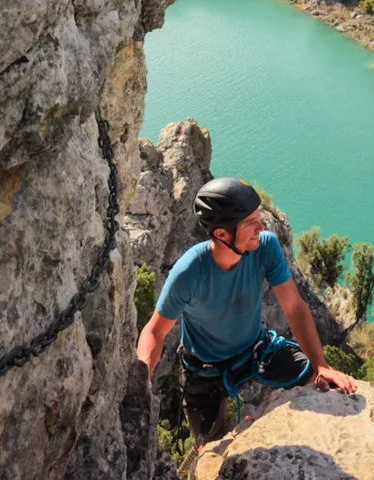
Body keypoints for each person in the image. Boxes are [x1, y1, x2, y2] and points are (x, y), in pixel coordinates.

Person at [136, 176, 357, 444]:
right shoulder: (189, 272)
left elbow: (294, 308)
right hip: (205, 369)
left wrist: (322, 365)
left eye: (258, 217)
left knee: (322, 384)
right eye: (250, 223)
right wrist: (143, 377)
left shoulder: (265, 246)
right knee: (210, 448)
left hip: (256, 350)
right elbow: (155, 331)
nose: (261, 227)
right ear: (221, 234)